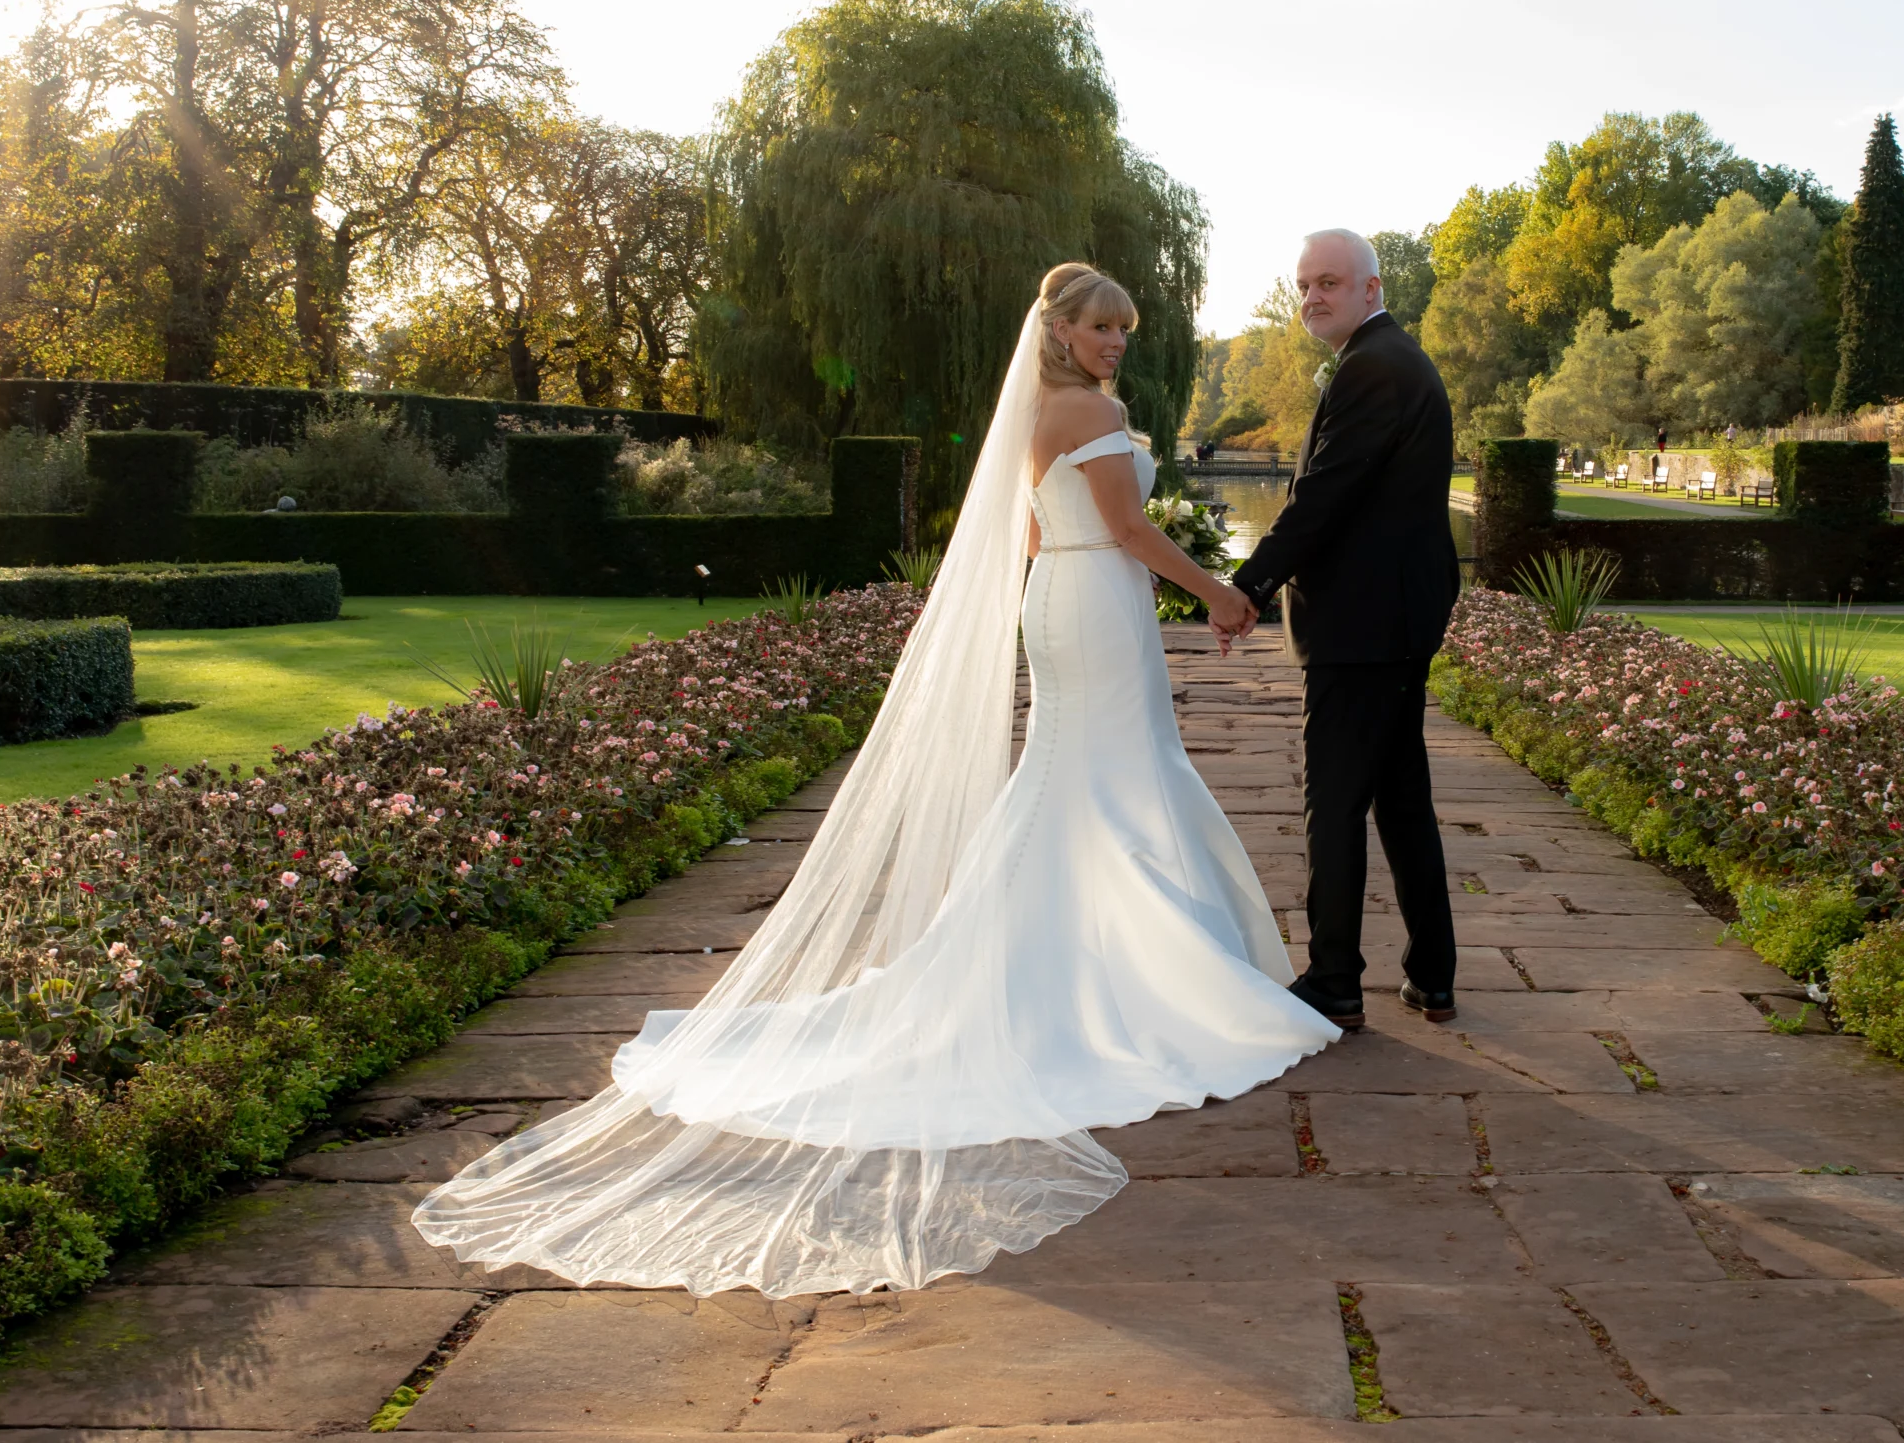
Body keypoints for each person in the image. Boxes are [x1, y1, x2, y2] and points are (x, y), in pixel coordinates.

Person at [411, 264, 1335, 1296]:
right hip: (1098, 601)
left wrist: (1081, 582)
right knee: (1106, 779)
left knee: (1083, 780)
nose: (1117, 341)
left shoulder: (1038, 411)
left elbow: (1034, 531)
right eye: (1100, 326)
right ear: (1061, 331)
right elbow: (1127, 528)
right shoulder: (1088, 410)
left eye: (1125, 327)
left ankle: (1055, 961)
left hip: (1065, 597)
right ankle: (1118, 977)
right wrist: (1218, 593)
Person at [1224, 230, 1461, 1030]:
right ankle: (1431, 973)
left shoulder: (1374, 366)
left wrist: (1247, 586)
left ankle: (1334, 980)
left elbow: (1321, 498)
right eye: (1304, 285)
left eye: (1329, 281)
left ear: (1371, 287)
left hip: (1364, 624)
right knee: (1401, 799)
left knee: (1333, 801)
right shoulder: (1386, 358)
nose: (1311, 297)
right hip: (1390, 618)